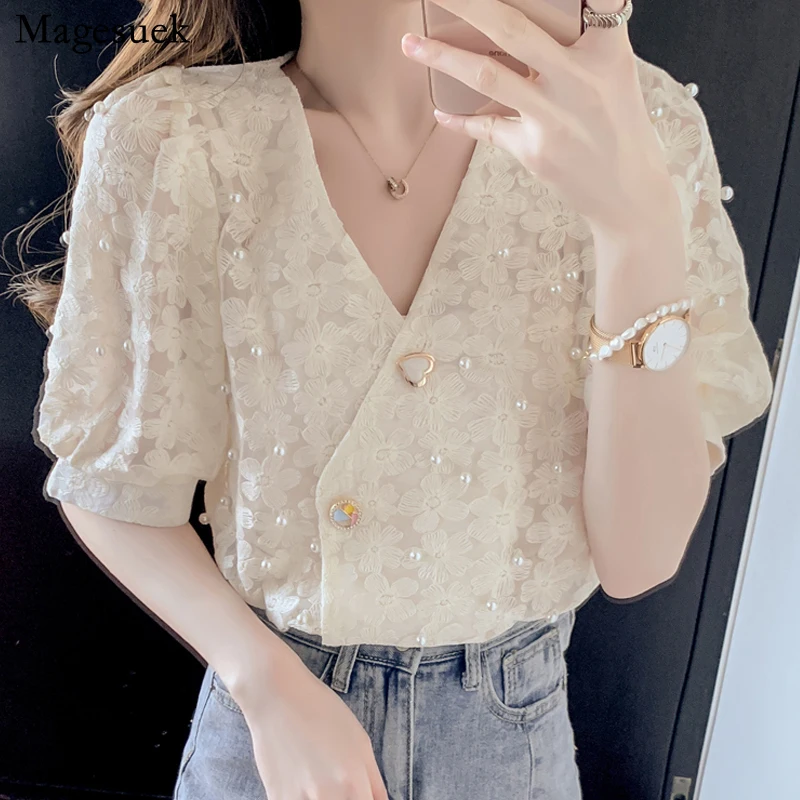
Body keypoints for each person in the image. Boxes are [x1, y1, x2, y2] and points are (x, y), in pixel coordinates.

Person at [12, 0, 773, 798]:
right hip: (278, 740)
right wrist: (261, 678)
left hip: (512, 748)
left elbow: (640, 557)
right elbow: (113, 482)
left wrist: (635, 227)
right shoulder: (178, 136)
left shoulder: (639, 125)